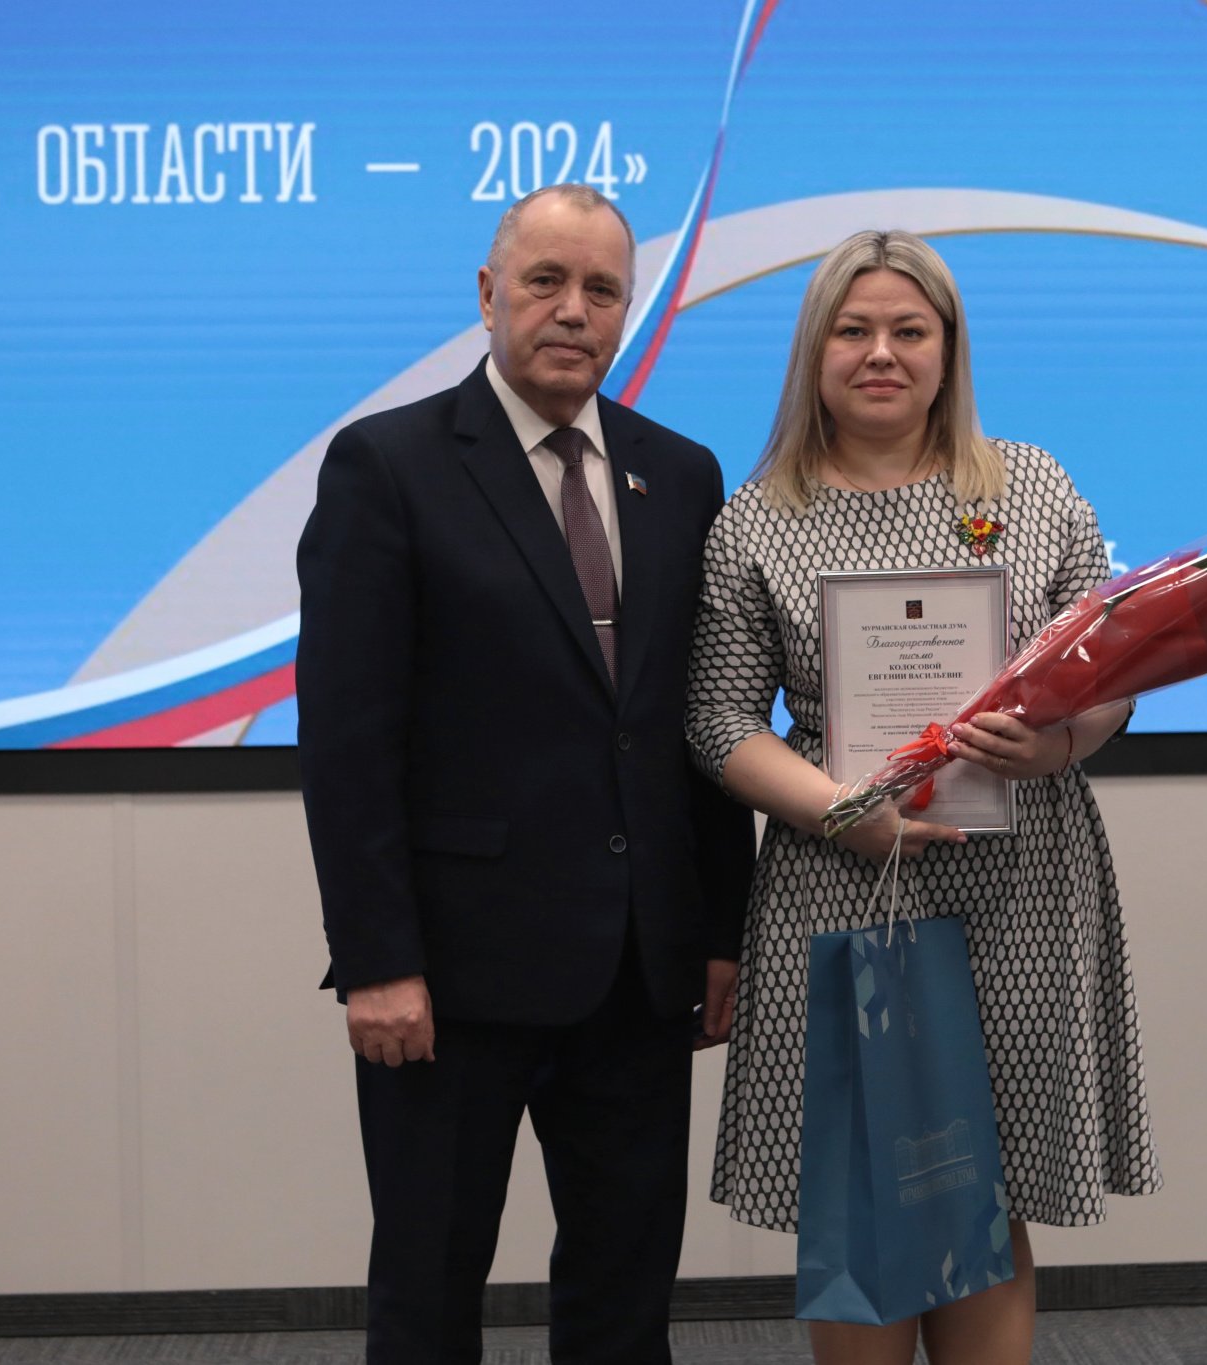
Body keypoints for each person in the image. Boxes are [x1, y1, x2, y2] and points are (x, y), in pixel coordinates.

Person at [296, 183, 756, 1365]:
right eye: (545, 280)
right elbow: (347, 742)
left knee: (622, 1304)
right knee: (428, 1293)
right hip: (450, 978)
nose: (572, 310)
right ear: (487, 293)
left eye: (601, 289)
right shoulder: (386, 466)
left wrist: (719, 930)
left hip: (638, 973)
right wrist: (376, 959)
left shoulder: (680, 473)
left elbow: (695, 721)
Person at [684, 230, 1159, 1365]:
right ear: (815, 351)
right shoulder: (756, 519)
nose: (881, 353)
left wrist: (1059, 742)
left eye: (909, 329)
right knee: (864, 1189)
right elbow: (716, 718)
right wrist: (842, 812)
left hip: (1018, 883)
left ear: (949, 350)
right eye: (853, 330)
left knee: (989, 1189)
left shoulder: (1033, 485)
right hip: (842, 880)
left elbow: (1113, 676)